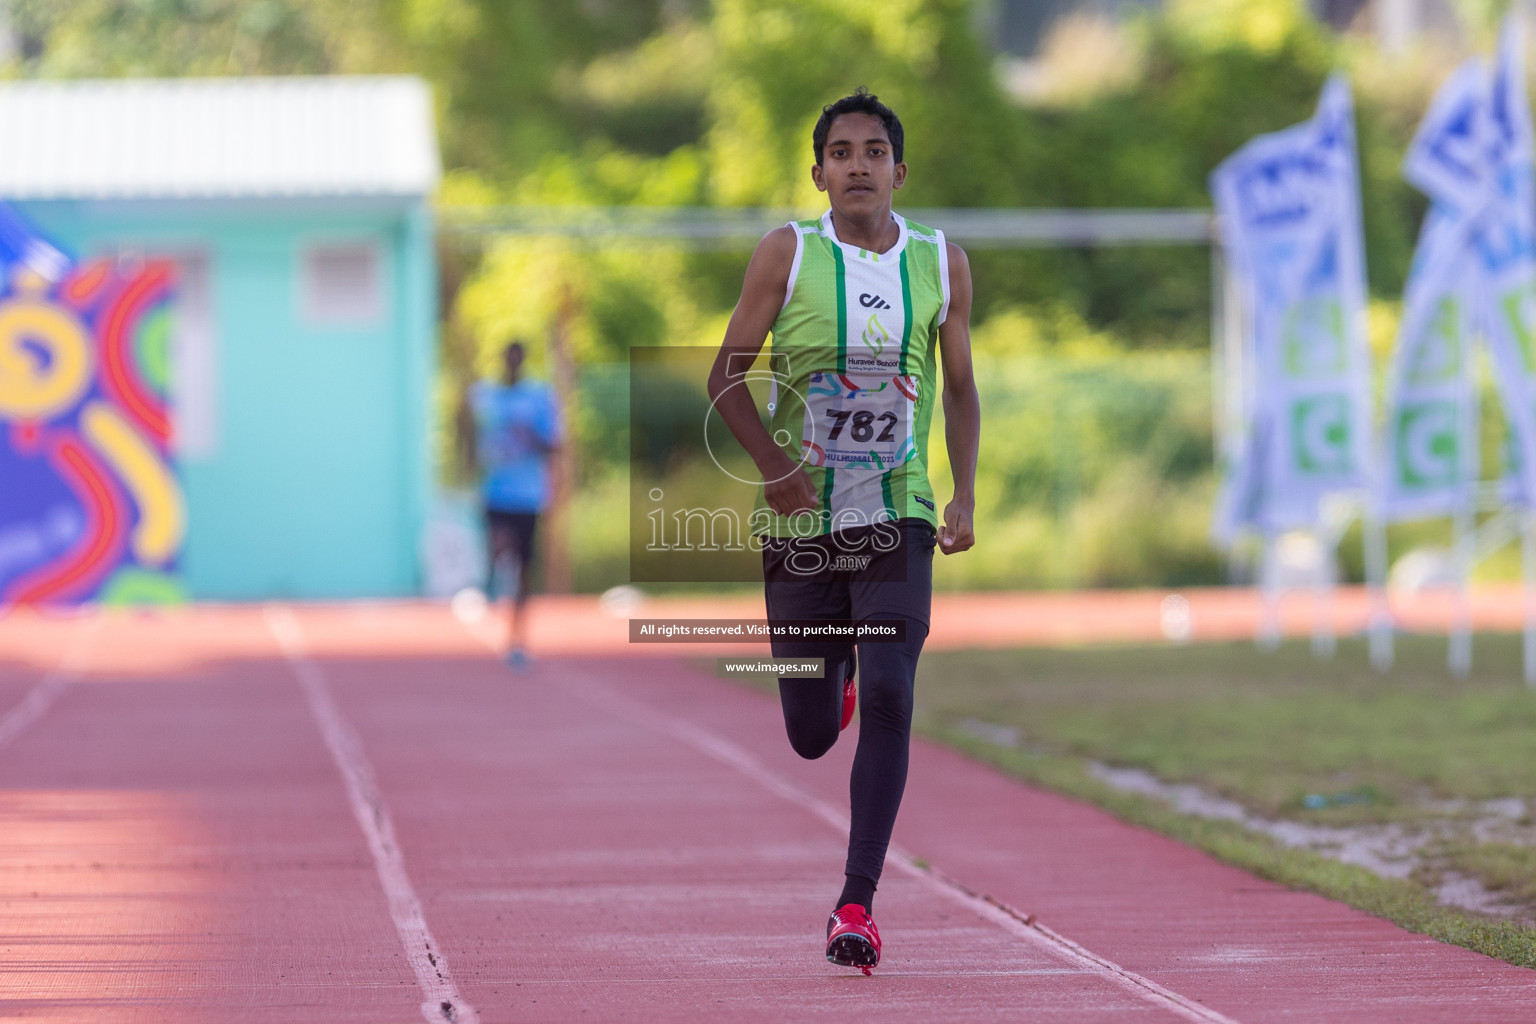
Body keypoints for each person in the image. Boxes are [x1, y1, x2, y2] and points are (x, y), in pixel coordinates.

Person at [706, 87, 979, 973]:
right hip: (800, 518)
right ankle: (841, 678)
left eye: (873, 152)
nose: (857, 165)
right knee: (812, 732)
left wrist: (963, 493)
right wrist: (777, 471)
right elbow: (724, 374)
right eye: (840, 152)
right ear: (818, 171)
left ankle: (855, 903)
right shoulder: (787, 253)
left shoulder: (942, 263)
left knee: (896, 695)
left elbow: (964, 389)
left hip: (897, 506)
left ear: (901, 171)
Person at [460, 341, 561, 666]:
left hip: (528, 495)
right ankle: (489, 580)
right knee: (498, 545)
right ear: (503, 360)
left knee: (523, 570)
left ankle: (517, 638)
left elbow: (555, 445)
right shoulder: (486, 395)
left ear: (524, 361)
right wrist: (469, 464)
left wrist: (531, 435)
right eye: (508, 358)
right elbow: (468, 431)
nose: (513, 364)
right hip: (495, 491)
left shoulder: (539, 398)